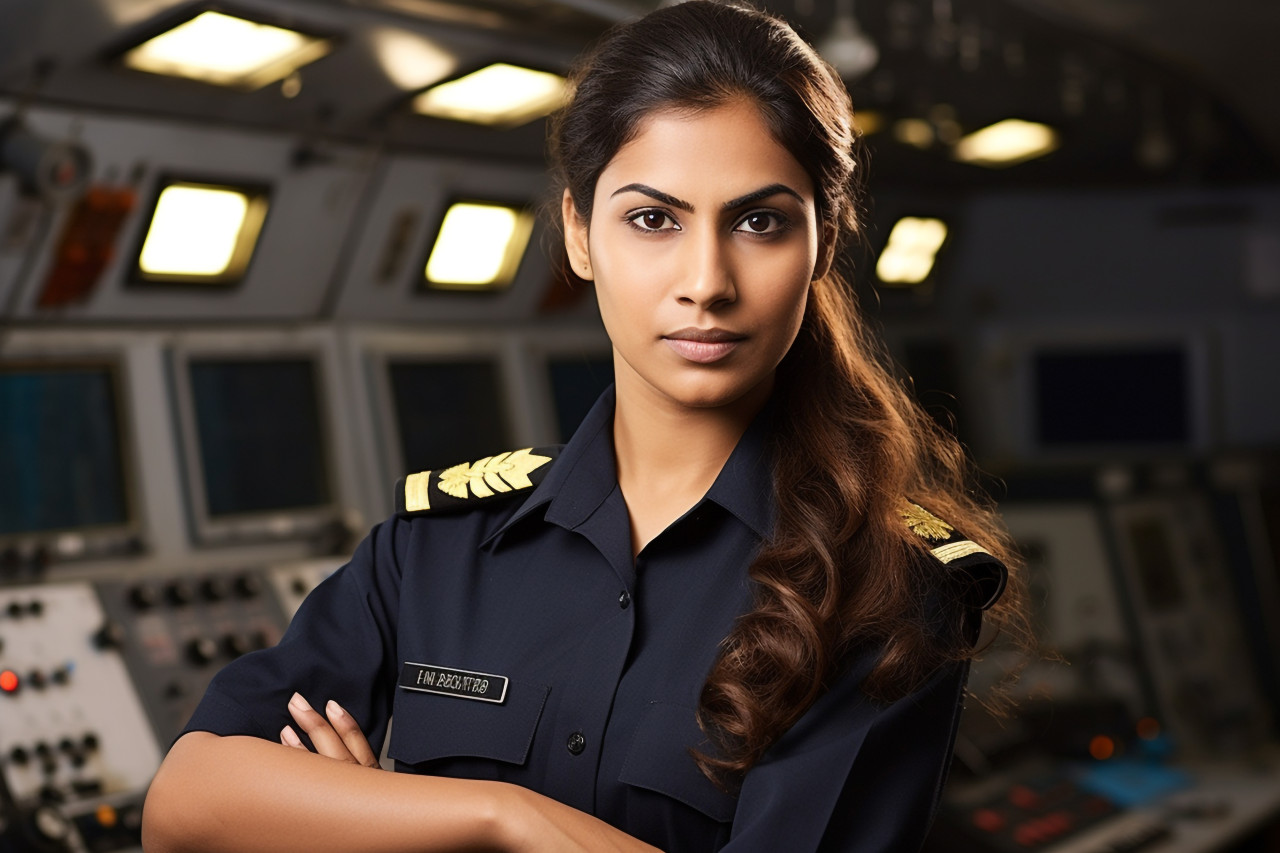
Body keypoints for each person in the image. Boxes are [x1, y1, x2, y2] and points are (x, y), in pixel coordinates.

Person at [141, 2, 1024, 851]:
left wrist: (380, 814)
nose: (705, 280)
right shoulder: (437, 551)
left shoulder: (891, 592)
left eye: (759, 221)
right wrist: (498, 817)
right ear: (577, 231)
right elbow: (185, 803)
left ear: (825, 243)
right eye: (652, 219)